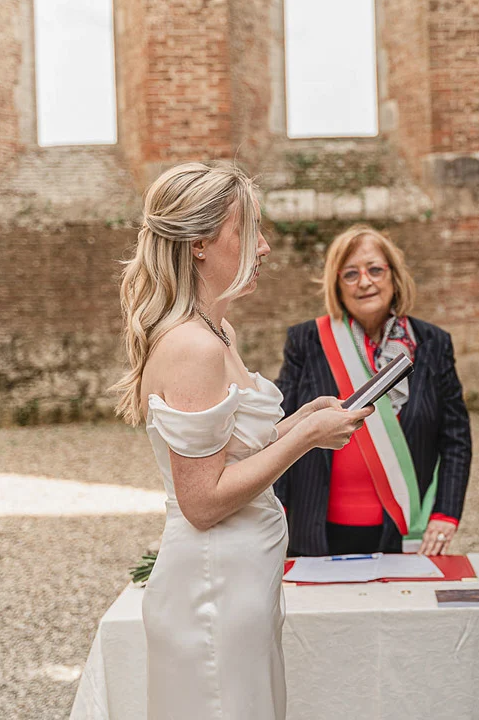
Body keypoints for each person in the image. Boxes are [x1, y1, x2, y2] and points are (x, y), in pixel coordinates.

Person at [110, 162, 372, 720]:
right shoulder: (192, 347)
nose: (266, 247)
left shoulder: (218, 331)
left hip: (242, 579)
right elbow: (202, 501)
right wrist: (303, 442)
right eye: (248, 230)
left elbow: (231, 451)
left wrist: (300, 423)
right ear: (201, 243)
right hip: (212, 587)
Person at [274, 225, 472, 557]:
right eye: (350, 274)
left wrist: (445, 513)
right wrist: (275, 505)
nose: (365, 281)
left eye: (375, 270)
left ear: (394, 276)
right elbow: (281, 426)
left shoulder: (433, 343)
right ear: (336, 285)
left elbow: (455, 437)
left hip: (401, 529)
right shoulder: (307, 341)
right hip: (314, 527)